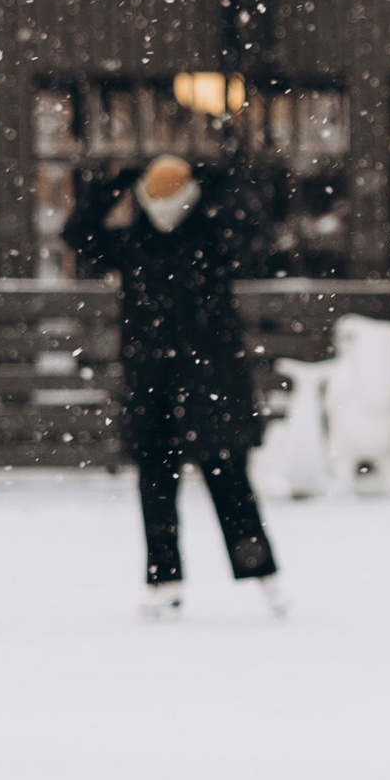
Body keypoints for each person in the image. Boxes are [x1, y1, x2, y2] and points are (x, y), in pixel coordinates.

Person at [62, 152, 284, 620]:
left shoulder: (210, 233)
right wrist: (112, 183)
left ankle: (262, 574)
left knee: (229, 481)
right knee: (157, 482)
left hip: (210, 376)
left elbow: (256, 231)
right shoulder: (134, 242)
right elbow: (78, 233)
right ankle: (165, 579)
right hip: (153, 379)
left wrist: (219, 180)